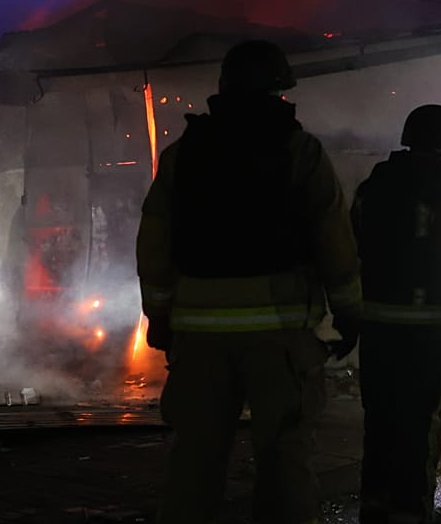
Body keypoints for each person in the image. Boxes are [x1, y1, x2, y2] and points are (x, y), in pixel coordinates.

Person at [136, 39, 361, 524]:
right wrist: (348, 311)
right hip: (278, 337)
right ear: (279, 92)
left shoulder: (183, 154)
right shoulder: (301, 152)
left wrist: (161, 315)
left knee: (195, 460)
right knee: (284, 459)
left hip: (198, 336)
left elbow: (154, 240)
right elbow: (333, 240)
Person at [350, 104, 441, 524]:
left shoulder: (372, 187)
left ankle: (374, 510)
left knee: (381, 422)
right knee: (418, 427)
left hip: (375, 329)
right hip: (423, 333)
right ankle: (412, 513)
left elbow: (352, 248)